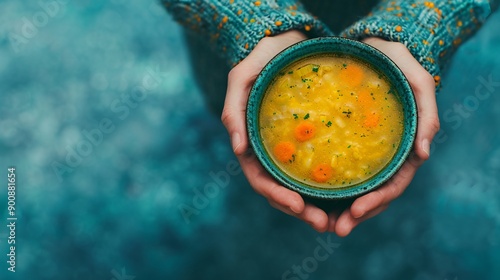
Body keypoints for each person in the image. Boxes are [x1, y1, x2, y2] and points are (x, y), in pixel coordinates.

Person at [162, 0, 496, 236]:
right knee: (234, 121)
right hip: (239, 61)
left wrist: (417, 24)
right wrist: (248, 18)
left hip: (405, 68)